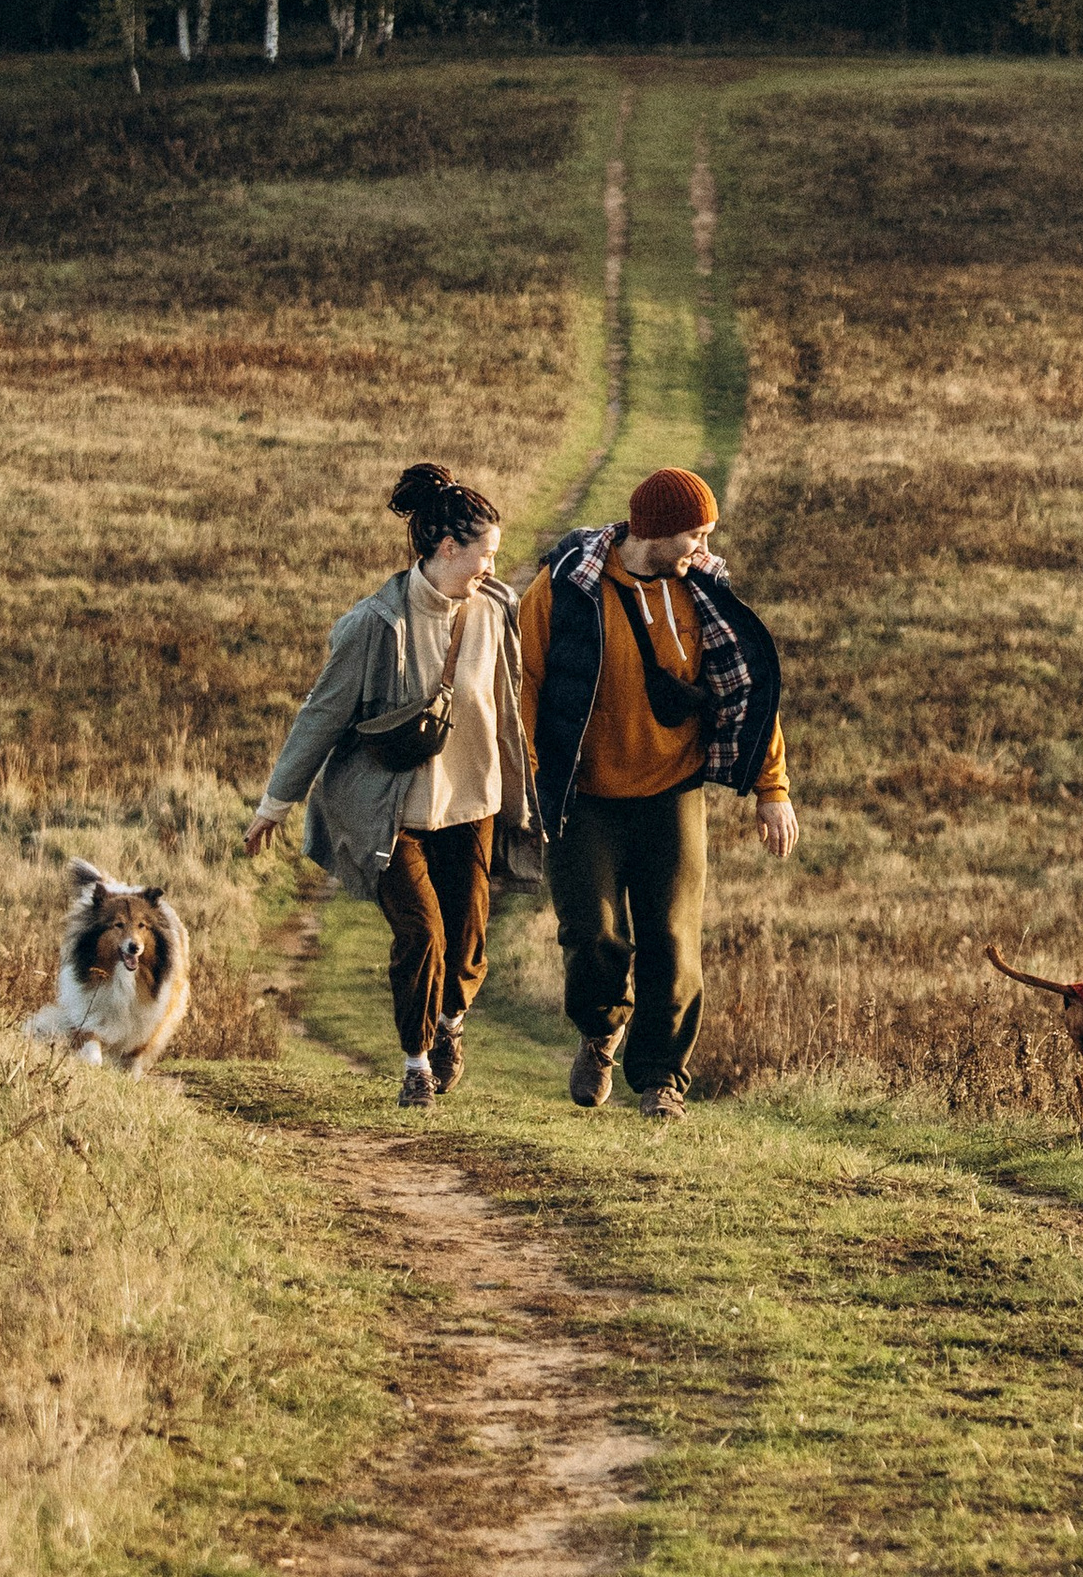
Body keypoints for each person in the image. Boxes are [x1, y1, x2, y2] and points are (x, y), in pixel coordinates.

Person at [246, 460, 539, 1109]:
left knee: (466, 946)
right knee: (422, 936)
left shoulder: (495, 608)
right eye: (484, 554)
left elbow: (509, 704)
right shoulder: (374, 626)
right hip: (393, 814)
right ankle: (416, 1066)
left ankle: (448, 1026)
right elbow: (321, 715)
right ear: (445, 547)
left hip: (473, 803)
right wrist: (275, 804)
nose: (493, 565)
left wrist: (526, 789)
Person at [517, 464, 798, 1124]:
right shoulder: (565, 589)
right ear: (656, 530)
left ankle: (660, 1080)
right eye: (694, 533)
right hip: (583, 795)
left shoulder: (704, 594)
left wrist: (772, 789)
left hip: (672, 791)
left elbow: (752, 694)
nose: (703, 546)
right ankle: (597, 1030)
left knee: (673, 941)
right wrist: (528, 775)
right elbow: (524, 680)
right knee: (592, 934)